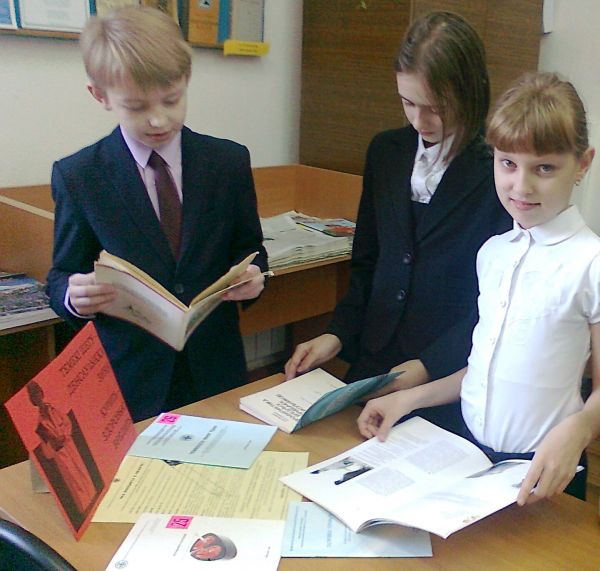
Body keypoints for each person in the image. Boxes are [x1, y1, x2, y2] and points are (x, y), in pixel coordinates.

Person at [358, 72, 600, 504]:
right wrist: (408, 399)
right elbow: (483, 371)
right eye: (508, 163)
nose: (521, 186)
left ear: (582, 164)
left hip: (543, 469)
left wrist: (580, 428)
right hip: (468, 455)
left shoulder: (590, 262)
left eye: (544, 168)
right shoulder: (494, 253)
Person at [46, 7, 267, 421]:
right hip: (132, 379)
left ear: (186, 80)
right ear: (100, 96)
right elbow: (62, 274)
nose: (158, 119)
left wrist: (255, 278)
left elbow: (250, 248)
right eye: (135, 106)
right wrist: (73, 296)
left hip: (215, 368)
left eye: (172, 100)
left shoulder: (227, 162)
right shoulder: (80, 176)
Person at [285, 12, 511, 415]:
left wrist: (428, 366)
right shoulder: (386, 152)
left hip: (447, 374)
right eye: (408, 103)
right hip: (376, 363)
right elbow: (368, 262)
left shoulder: (499, 170)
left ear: (470, 92)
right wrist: (337, 334)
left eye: (436, 107)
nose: (419, 121)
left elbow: (495, 301)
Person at [27, 381, 98, 521]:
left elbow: (67, 423)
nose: (37, 396)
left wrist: (64, 435)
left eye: (38, 392)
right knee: (72, 478)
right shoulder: (40, 425)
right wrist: (54, 444)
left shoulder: (53, 409)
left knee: (81, 470)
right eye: (33, 395)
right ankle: (85, 507)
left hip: (69, 445)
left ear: (41, 393)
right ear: (32, 400)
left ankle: (93, 497)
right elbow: (47, 450)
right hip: (60, 453)